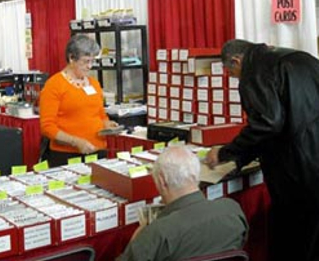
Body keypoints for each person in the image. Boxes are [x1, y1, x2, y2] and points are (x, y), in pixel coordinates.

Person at [205, 39, 319, 261]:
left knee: (294, 232)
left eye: (230, 72)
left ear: (237, 61)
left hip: (296, 167)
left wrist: (226, 152)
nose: (231, 77)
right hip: (313, 157)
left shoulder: (255, 70)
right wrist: (241, 156)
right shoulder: (299, 57)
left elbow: (268, 123)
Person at [118, 146, 248, 261]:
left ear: (162, 181)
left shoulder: (155, 233)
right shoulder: (232, 210)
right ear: (197, 174)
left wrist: (134, 242)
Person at [39, 34, 118, 167]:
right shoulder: (54, 85)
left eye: (92, 61)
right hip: (67, 155)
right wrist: (76, 142)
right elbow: (47, 127)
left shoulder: (94, 84)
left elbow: (100, 115)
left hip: (98, 151)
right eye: (86, 61)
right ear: (71, 58)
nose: (90, 66)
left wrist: (107, 125)